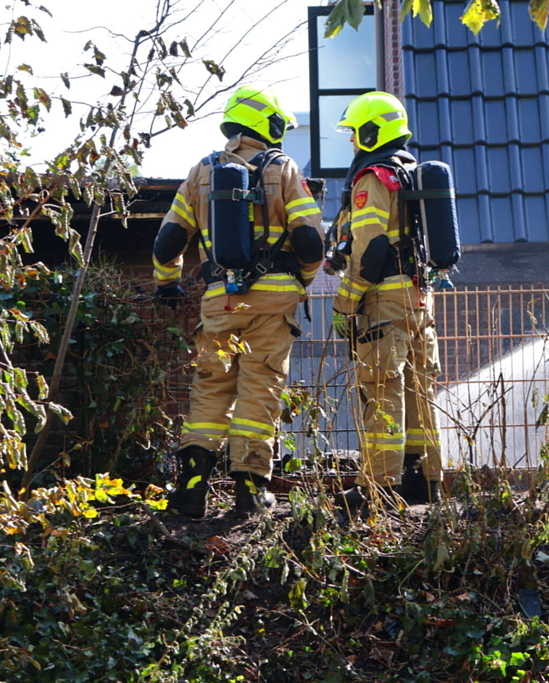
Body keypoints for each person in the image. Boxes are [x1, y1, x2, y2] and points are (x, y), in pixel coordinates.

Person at [152, 85, 325, 518]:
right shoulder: (283, 168)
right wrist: (300, 282)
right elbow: (309, 240)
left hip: (219, 303)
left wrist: (167, 284)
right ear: (265, 123)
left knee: (211, 389)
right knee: (259, 389)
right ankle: (250, 493)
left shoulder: (201, 171)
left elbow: (168, 239)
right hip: (271, 303)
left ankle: (191, 490)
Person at [329, 91, 443, 511]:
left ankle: (377, 487)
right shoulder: (413, 173)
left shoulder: (374, 176)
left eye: (356, 134)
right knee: (419, 388)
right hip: (418, 296)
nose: (353, 143)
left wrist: (346, 301)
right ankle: (426, 480)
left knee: (381, 389)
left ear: (373, 131)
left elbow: (372, 247)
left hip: (385, 296)